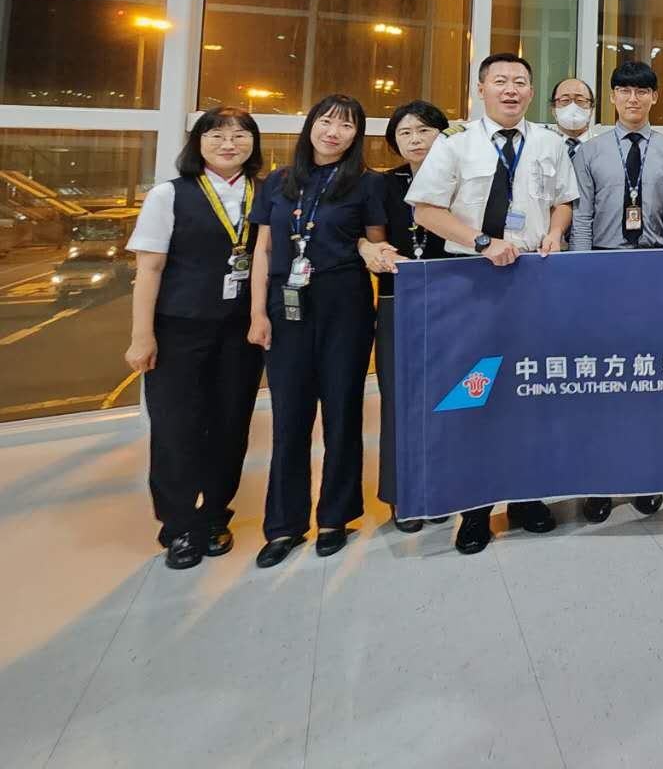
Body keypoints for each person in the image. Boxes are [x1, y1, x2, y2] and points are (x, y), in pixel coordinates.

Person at [407, 53, 578, 554]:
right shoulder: (455, 145)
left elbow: (563, 200)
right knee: (475, 393)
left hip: (532, 280)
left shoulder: (548, 142)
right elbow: (425, 210)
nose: (511, 89)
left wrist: (556, 232)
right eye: (500, 81)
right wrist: (481, 242)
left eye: (520, 82)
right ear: (480, 89)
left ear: (531, 92)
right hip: (473, 281)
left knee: (530, 390)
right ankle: (475, 509)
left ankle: (526, 499)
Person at [248, 95, 388, 568]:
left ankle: (335, 517)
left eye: (346, 126)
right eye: (327, 122)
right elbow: (263, 250)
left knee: (343, 412)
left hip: (344, 304)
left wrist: (371, 250)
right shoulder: (278, 182)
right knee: (289, 417)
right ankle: (284, 524)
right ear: (311, 125)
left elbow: (375, 242)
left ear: (357, 136)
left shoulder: (367, 183)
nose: (334, 132)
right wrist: (257, 313)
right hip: (285, 305)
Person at [124, 107, 267, 570]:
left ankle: (215, 515)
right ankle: (179, 525)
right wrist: (142, 335)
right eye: (217, 135)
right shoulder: (169, 195)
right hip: (179, 327)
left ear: (253, 144)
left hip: (241, 330)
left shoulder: (264, 193)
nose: (229, 144)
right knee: (175, 427)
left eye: (240, 135)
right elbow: (149, 268)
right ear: (198, 142)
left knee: (230, 424)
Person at [570, 59, 663, 522]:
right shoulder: (589, 152)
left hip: (655, 269)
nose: (633, 99)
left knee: (650, 378)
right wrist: (580, 273)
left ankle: (646, 474)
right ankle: (599, 480)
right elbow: (580, 216)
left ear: (654, 97)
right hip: (603, 266)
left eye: (642, 91)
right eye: (624, 91)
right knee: (603, 380)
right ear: (613, 97)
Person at [358, 99, 452, 534]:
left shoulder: (460, 179)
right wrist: (373, 251)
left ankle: (441, 488)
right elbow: (375, 240)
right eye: (406, 133)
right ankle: (402, 494)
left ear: (442, 135)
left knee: (448, 398)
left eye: (425, 131)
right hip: (400, 300)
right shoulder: (383, 184)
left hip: (453, 302)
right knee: (399, 400)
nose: (415, 140)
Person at [549, 75, 597, 164]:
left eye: (580, 100)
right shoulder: (541, 146)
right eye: (565, 100)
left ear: (591, 109)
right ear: (553, 110)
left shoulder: (603, 147)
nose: (572, 107)